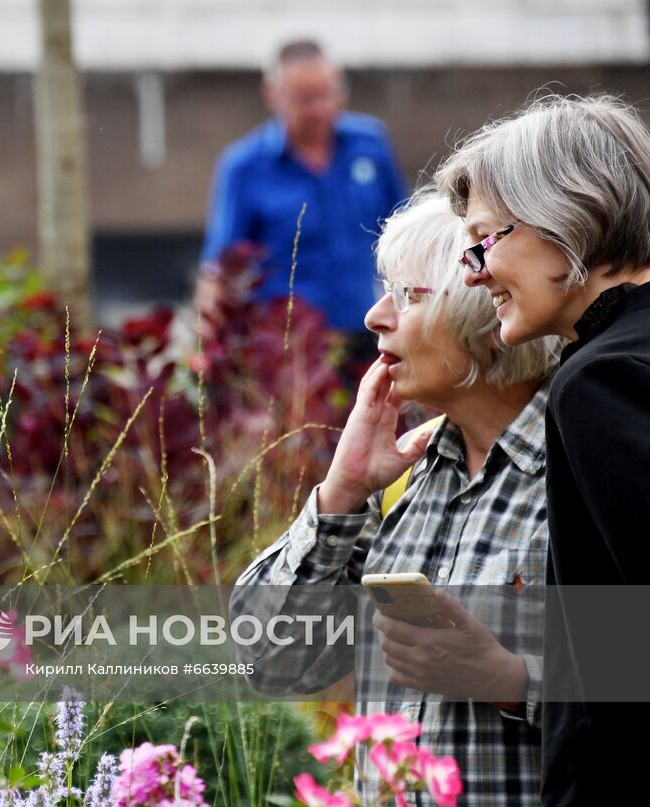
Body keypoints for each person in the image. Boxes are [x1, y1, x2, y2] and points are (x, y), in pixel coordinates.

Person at [231, 192, 559, 805]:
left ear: (485, 307)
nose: (375, 317)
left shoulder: (583, 465)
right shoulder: (410, 478)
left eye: (408, 296)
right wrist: (344, 491)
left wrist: (511, 682)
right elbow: (273, 662)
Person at [434, 93, 650, 806]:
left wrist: (512, 672)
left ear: (568, 213)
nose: (471, 273)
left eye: (484, 241)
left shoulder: (600, 380)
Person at [199, 39, 408, 379]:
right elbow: (219, 270)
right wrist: (211, 355)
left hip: (370, 335)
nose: (320, 109)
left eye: (328, 94)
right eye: (305, 99)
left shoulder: (370, 144)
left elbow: (406, 232)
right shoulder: (244, 167)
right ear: (272, 95)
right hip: (291, 353)